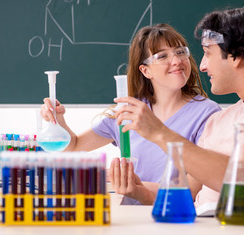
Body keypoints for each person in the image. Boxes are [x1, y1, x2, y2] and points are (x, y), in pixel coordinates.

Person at [113, 6, 244, 207]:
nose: (203, 66)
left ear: (235, 56)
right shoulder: (219, 120)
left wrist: (159, 133)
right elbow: (189, 192)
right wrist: (139, 190)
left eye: (208, 53)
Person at [40, 23, 221, 204]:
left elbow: (191, 190)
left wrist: (135, 186)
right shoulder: (130, 111)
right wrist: (58, 120)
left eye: (180, 52)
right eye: (163, 56)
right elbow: (74, 147)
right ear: (145, 70)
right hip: (130, 219)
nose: (176, 61)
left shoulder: (208, 114)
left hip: (175, 219)